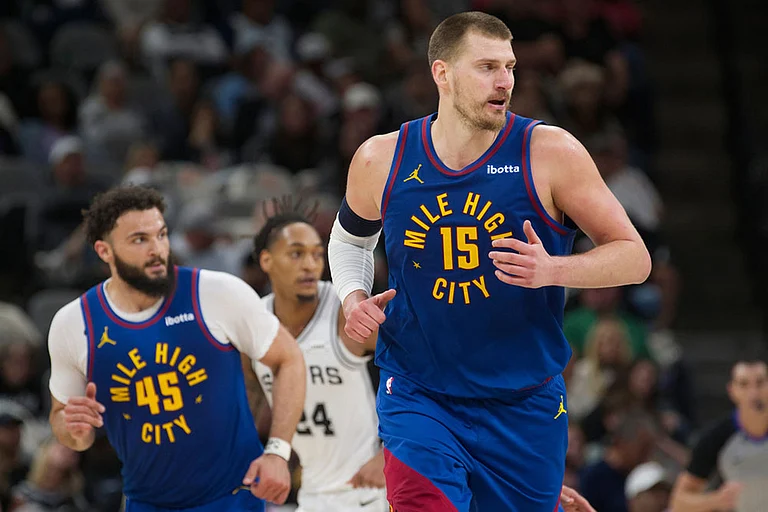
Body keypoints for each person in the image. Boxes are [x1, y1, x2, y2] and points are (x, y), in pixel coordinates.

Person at [328, 11, 650, 512]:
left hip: (524, 402)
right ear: (442, 73)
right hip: (419, 393)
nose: (505, 82)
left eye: (511, 66)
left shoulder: (550, 151)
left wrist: (554, 270)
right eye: (487, 67)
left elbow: (635, 257)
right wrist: (353, 297)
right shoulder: (381, 158)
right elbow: (349, 242)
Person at [47, 186, 306, 512]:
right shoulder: (73, 324)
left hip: (233, 496)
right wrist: (74, 431)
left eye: (162, 235)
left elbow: (289, 358)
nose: (157, 249)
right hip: (146, 502)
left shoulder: (216, 293)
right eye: (140, 239)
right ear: (104, 251)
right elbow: (65, 422)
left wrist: (278, 452)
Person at [250, 198, 388, 511]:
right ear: (266, 260)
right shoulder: (254, 323)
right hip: (311, 493)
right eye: (296, 254)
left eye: (316, 254)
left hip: (372, 492)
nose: (311, 265)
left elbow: (419, 373)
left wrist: (393, 451)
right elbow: (249, 403)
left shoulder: (344, 313)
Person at [669, 357, 768, 512]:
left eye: (760, 383)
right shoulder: (716, 438)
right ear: (732, 391)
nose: (754, 393)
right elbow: (679, 502)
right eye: (744, 384)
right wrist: (715, 500)